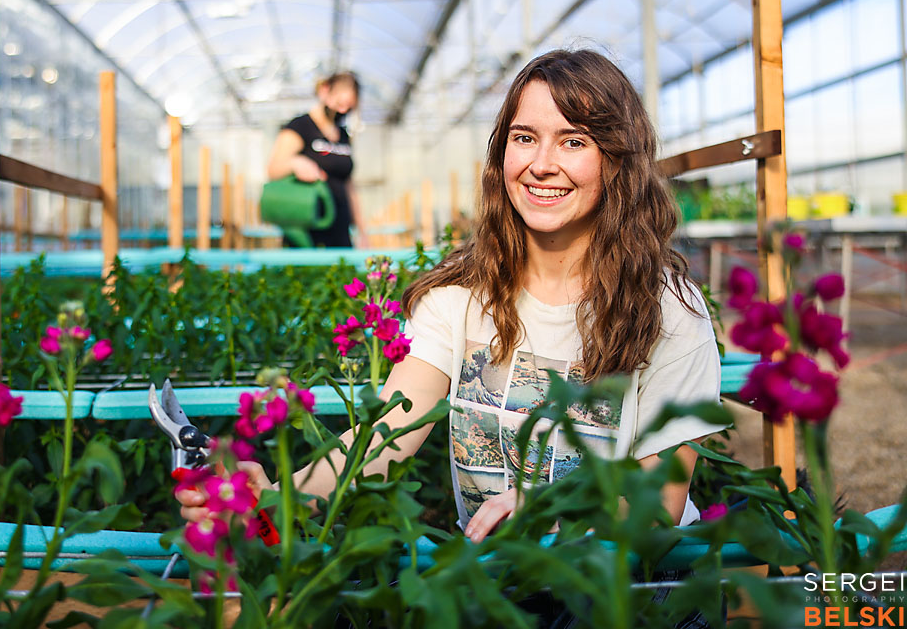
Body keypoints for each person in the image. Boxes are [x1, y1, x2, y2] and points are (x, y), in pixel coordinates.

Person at [180, 49, 726, 620]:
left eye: (573, 141)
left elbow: (660, 501)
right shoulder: (462, 295)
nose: (542, 164)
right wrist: (273, 496)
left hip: (633, 586)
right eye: (524, 138)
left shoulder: (666, 310)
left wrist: (552, 511)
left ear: (617, 160)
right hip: (499, 581)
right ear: (500, 155)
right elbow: (384, 436)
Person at [266, 71, 367, 248]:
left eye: (349, 107)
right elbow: (273, 169)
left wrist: (362, 231)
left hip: (341, 230)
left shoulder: (343, 134)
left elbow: (348, 185)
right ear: (324, 91)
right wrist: (295, 163)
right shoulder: (300, 127)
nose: (342, 110)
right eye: (340, 103)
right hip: (306, 230)